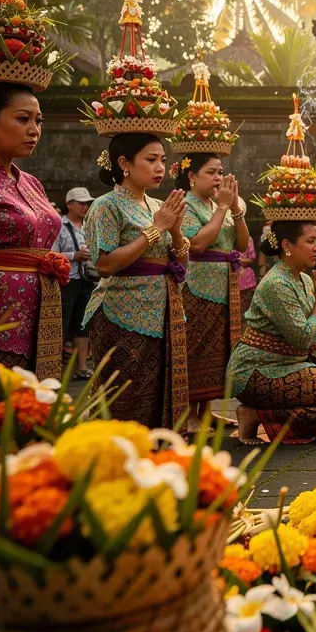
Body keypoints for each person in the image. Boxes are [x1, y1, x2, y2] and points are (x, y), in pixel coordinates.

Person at [230, 220, 316, 444]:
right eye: (310, 240)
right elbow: (303, 337)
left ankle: (262, 414)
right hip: (259, 371)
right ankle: (255, 414)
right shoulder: (276, 284)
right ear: (287, 245)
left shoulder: (305, 279)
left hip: (291, 364)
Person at [84, 133, 190, 428]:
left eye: (163, 160)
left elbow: (180, 265)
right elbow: (105, 264)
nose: (160, 167)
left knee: (159, 395)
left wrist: (177, 231)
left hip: (162, 309)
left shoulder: (159, 206)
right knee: (123, 398)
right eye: (151, 159)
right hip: (121, 312)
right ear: (124, 164)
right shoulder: (106, 206)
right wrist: (156, 230)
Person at [0, 82, 67, 376]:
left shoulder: (31, 182)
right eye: (23, 119)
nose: (34, 129)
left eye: (38, 120)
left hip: (42, 309)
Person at [177, 153, 250, 428]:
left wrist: (236, 210)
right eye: (211, 172)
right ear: (192, 177)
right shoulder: (186, 204)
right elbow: (196, 244)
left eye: (220, 172)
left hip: (225, 286)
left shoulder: (221, 205)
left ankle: (206, 409)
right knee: (194, 346)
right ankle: (189, 414)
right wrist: (222, 208)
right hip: (196, 285)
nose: (218, 178)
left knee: (218, 348)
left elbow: (241, 245)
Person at [54, 187, 97, 380]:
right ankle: (55, 370)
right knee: (62, 323)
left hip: (87, 280)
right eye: (80, 203)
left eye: (87, 203)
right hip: (67, 281)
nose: (84, 206)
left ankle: (81, 367)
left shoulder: (89, 226)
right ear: (69, 204)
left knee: (83, 324)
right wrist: (74, 256)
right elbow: (51, 255)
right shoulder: (59, 226)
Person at [239, 232, 258, 315]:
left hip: (245, 277)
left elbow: (252, 259)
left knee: (244, 309)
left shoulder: (248, 239)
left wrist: (236, 261)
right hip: (226, 274)